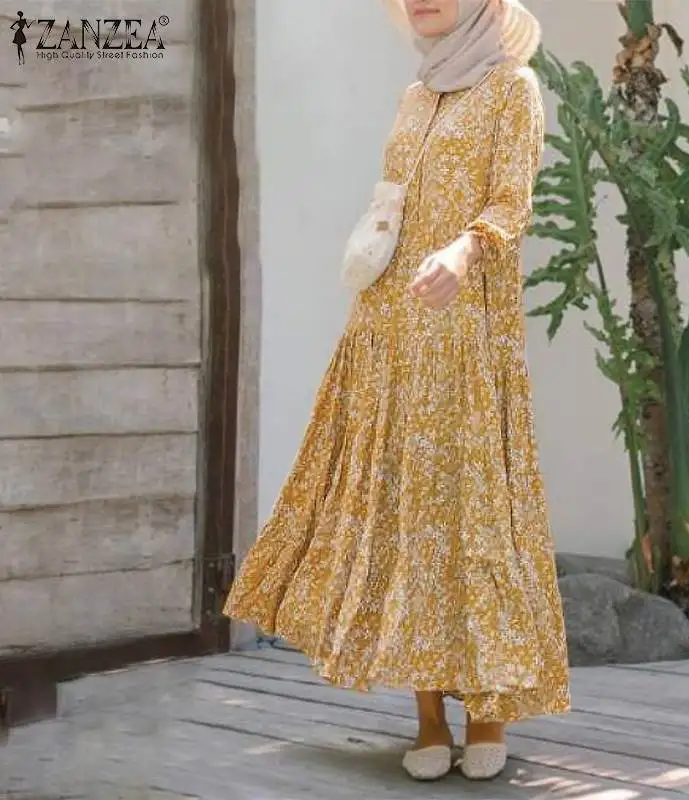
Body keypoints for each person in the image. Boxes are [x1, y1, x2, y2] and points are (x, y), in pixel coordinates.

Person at [224, 0, 570, 782]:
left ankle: (488, 711)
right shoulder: (417, 93)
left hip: (466, 330)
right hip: (390, 325)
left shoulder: (512, 88)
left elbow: (510, 204)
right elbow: (395, 200)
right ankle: (428, 718)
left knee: (470, 511)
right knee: (406, 512)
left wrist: (462, 252)